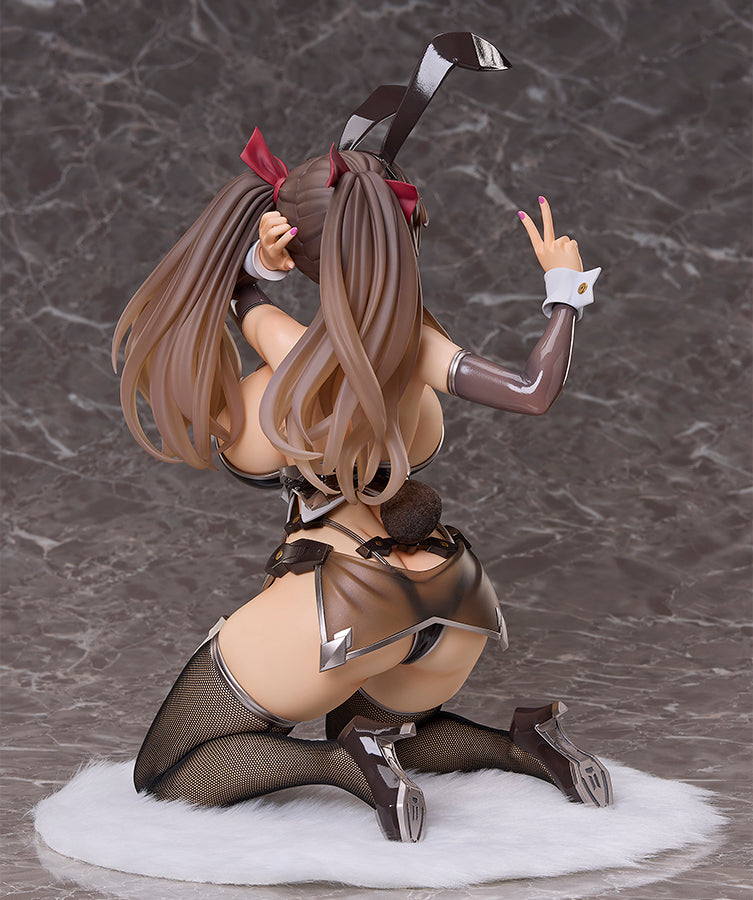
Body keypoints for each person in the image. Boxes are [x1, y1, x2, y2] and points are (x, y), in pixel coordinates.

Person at [112, 33, 612, 844]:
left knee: (168, 770)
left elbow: (231, 299)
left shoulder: (290, 352)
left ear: (303, 247)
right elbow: (532, 391)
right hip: (453, 594)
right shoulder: (421, 343)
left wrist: (259, 266)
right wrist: (563, 294)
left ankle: (345, 765)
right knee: (382, 719)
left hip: (340, 602)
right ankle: (523, 744)